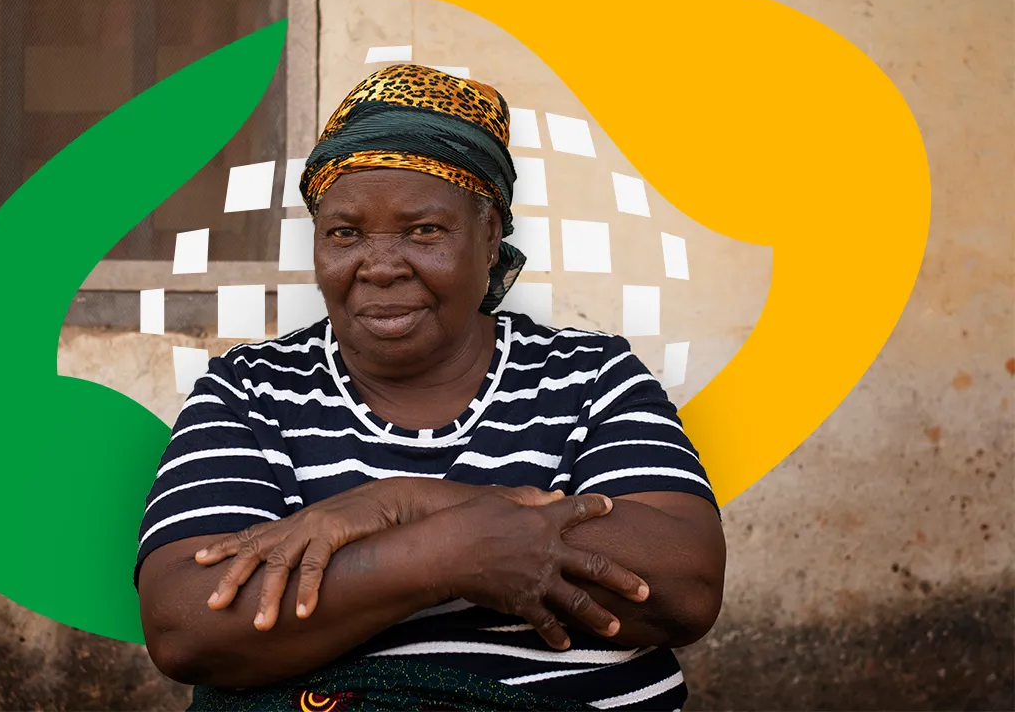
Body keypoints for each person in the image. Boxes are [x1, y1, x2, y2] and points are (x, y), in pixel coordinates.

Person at [135, 64, 726, 711]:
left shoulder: (588, 376)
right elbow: (186, 625)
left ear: (490, 235)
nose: (381, 265)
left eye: (424, 231)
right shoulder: (250, 392)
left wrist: (405, 501)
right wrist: (446, 555)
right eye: (345, 233)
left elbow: (683, 584)